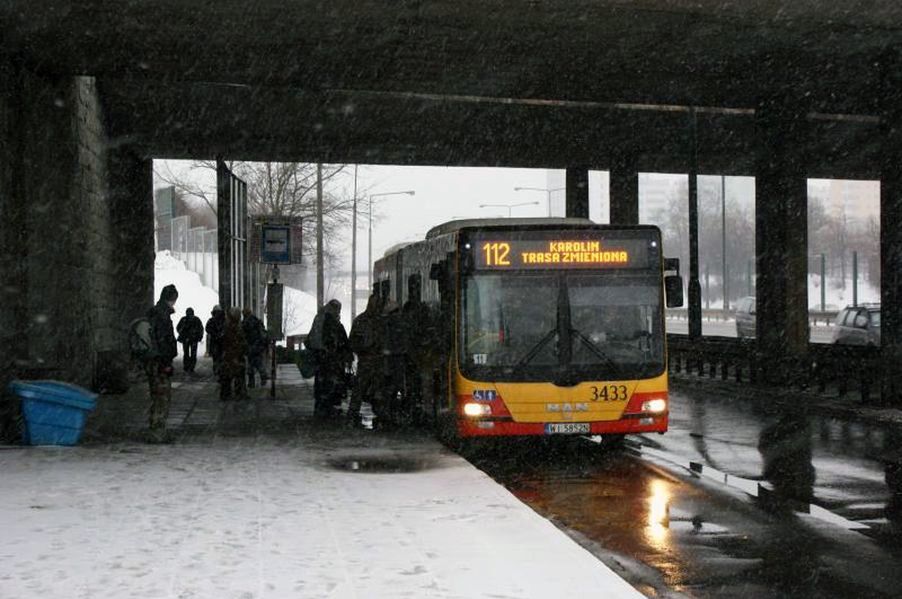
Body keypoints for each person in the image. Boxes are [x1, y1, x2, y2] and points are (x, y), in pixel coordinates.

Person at [306, 299, 351, 419]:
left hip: (320, 359)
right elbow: (341, 341)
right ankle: (330, 409)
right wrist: (346, 354)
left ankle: (320, 407)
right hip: (331, 360)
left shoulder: (318, 319)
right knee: (331, 384)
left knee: (321, 384)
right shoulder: (333, 323)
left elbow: (309, 340)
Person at [146, 284, 178, 442]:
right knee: (162, 397)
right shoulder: (163, 316)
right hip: (160, 362)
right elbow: (164, 341)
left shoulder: (153, 313)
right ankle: (157, 431)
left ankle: (154, 427)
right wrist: (166, 362)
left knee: (156, 395)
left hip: (152, 362)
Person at [401, 274, 435, 422]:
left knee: (417, 385)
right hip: (415, 355)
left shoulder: (415, 309)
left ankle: (416, 409)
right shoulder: (417, 309)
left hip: (416, 355)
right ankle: (418, 409)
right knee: (417, 385)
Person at [348, 293, 383, 427]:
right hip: (368, 360)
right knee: (363, 388)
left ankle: (377, 412)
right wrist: (364, 350)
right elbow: (353, 341)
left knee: (371, 388)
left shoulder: (365, 320)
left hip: (374, 360)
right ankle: (355, 413)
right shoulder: (365, 321)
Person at [220, 307, 248, 401]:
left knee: (229, 375)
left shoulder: (229, 325)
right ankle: (237, 393)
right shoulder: (233, 327)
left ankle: (228, 393)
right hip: (233, 354)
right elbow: (233, 341)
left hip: (232, 354)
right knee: (237, 374)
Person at [242, 307, 269, 388]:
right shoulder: (257, 321)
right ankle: (263, 376)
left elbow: (243, 335)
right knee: (258, 363)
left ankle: (251, 382)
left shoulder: (245, 323)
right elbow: (263, 334)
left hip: (250, 346)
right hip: (258, 346)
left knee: (250, 364)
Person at [176, 307, 204, 373]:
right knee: (192, 354)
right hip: (192, 339)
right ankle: (191, 367)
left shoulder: (184, 319)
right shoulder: (196, 319)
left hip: (187, 339)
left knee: (187, 354)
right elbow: (201, 329)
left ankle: (187, 367)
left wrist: (182, 333)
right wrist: (199, 337)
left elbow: (178, 328)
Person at [205, 306, 225, 375]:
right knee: (220, 357)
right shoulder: (224, 320)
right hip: (222, 342)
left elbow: (207, 329)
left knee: (216, 357)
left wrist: (214, 334)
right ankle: (220, 370)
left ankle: (217, 369)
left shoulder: (211, 320)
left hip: (215, 342)